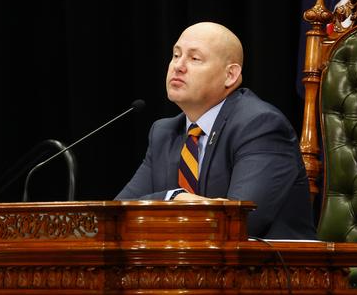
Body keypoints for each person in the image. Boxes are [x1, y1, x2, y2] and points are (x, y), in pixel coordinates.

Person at [115, 22, 316, 240]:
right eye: (175, 55)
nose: (178, 66)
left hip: (276, 268)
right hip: (188, 267)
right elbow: (116, 214)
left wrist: (160, 204)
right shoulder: (164, 133)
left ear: (230, 75)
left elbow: (238, 222)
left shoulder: (260, 125)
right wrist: (173, 198)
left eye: (194, 59)